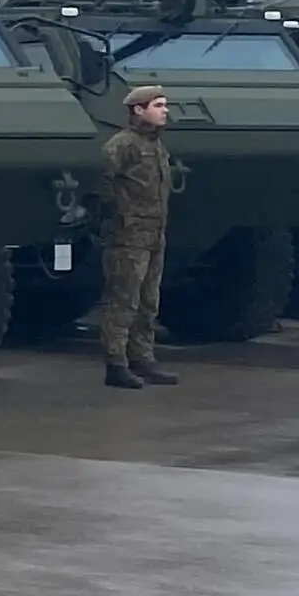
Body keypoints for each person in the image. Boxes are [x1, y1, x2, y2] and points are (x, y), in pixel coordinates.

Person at [96, 83, 177, 389]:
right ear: (138, 110)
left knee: (148, 302)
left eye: (164, 105)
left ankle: (142, 358)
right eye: (158, 105)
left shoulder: (156, 145)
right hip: (128, 236)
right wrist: (121, 214)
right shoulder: (122, 145)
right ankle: (116, 363)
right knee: (123, 301)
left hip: (154, 233)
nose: (165, 110)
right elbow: (103, 184)